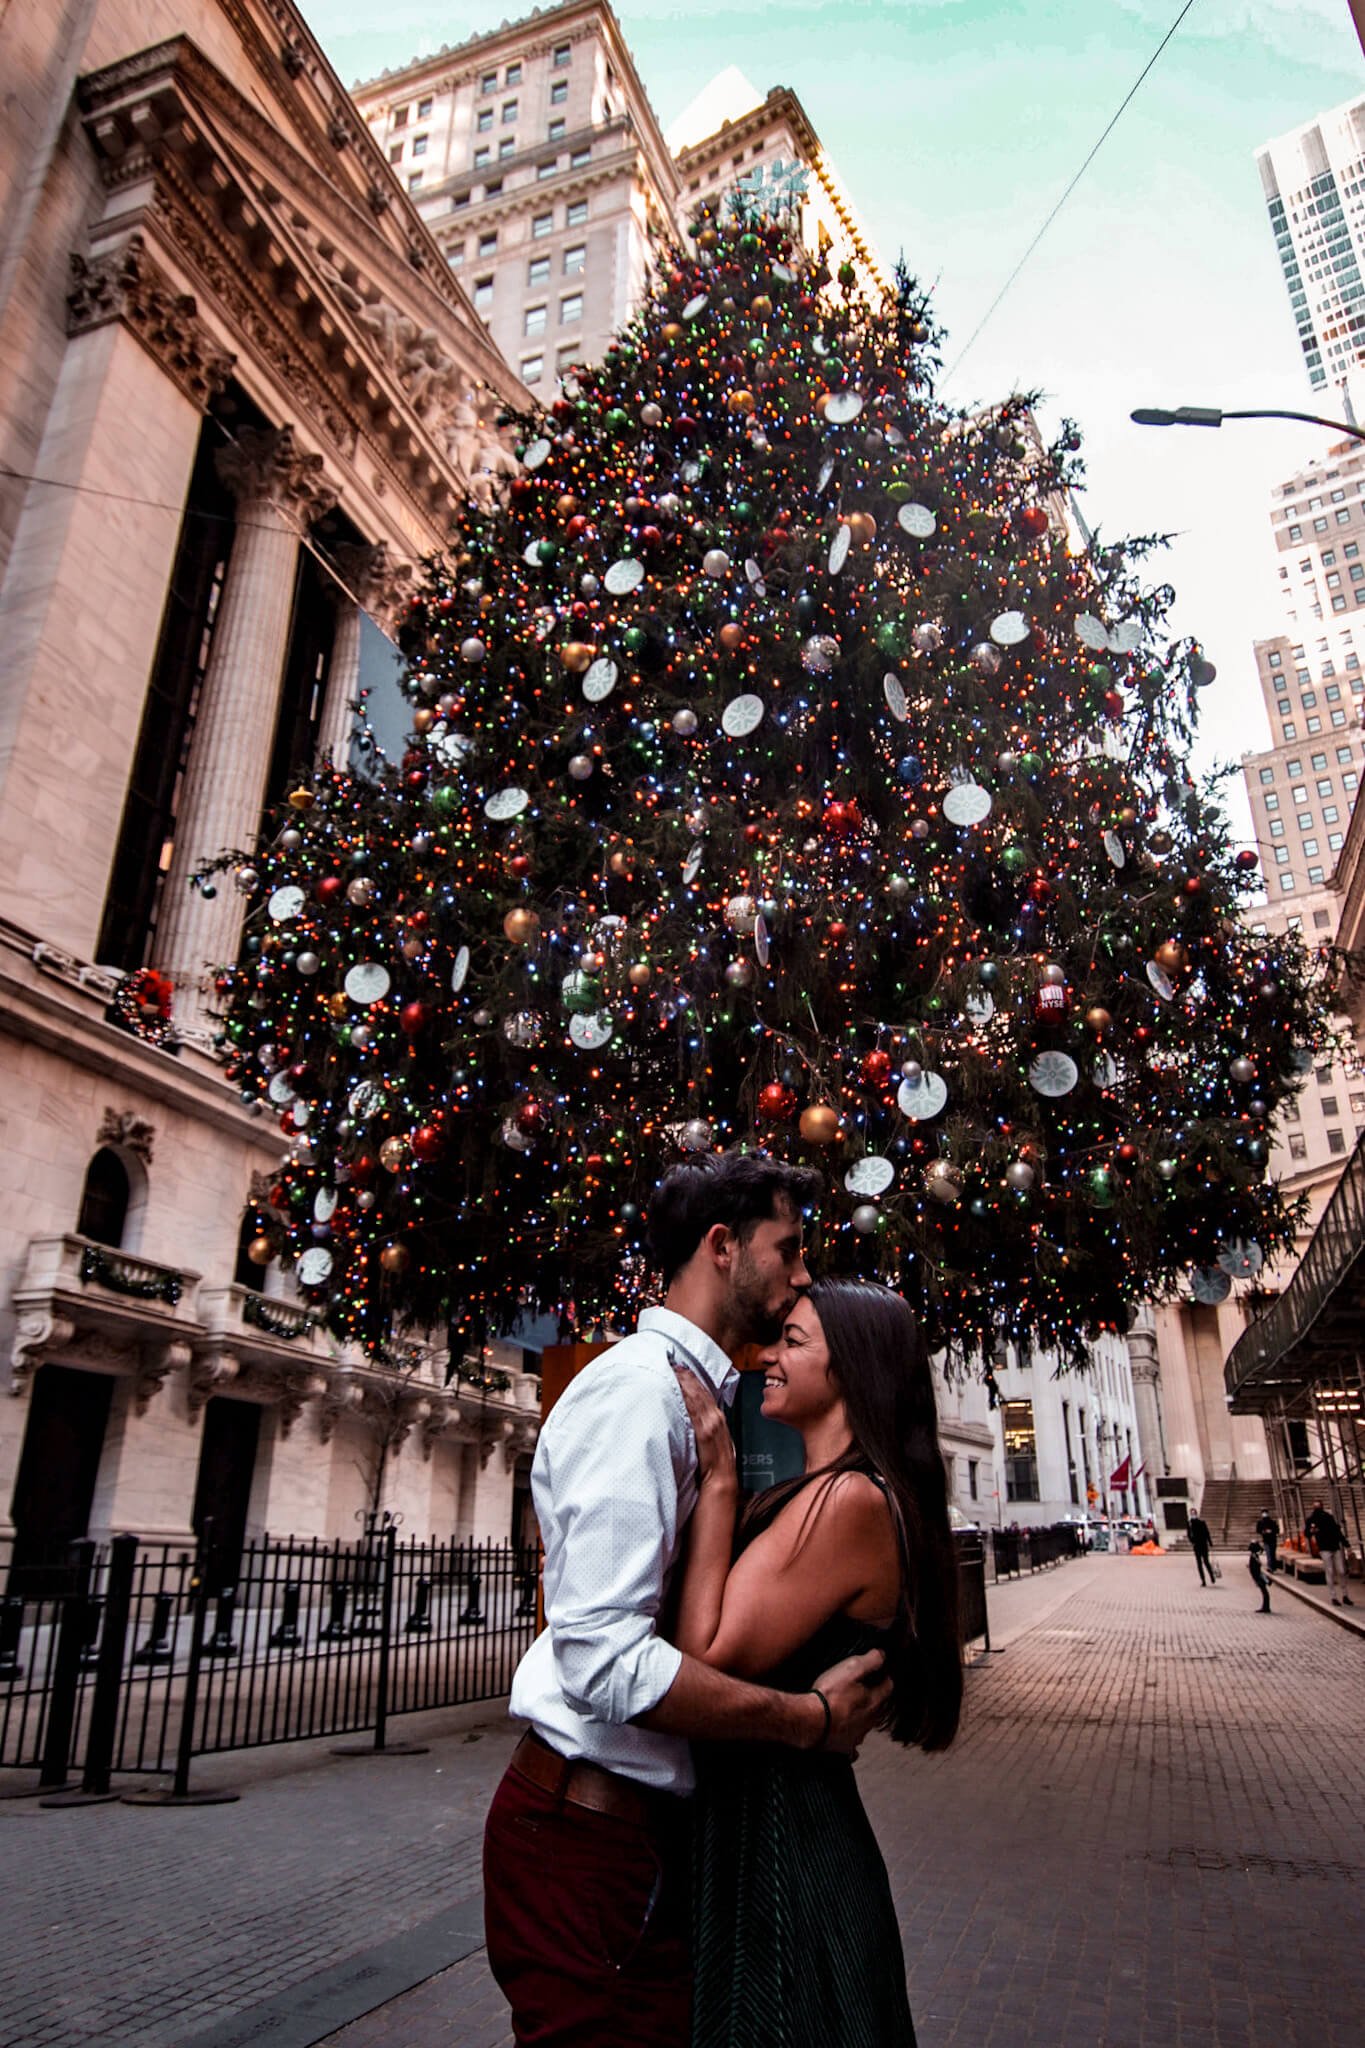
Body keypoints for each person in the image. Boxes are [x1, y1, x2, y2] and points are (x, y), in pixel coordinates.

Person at [482, 1154, 893, 2047]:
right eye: (785, 1250)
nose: (801, 1274)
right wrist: (805, 1721)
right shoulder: (639, 1393)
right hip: (586, 1836)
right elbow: (600, 1658)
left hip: (637, 1835)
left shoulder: (708, 1397)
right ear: (722, 1247)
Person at [672, 1277, 962, 2047]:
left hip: (781, 1855)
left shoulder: (848, 1503)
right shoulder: (833, 1493)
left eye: (793, 1343)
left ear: (851, 1371)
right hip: (766, 1836)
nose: (768, 1356)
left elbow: (706, 1653)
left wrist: (721, 1479)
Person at [1305, 1499, 1354, 1606]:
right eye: (1316, 1507)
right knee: (1330, 1571)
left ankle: (1345, 1595)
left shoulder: (1328, 1517)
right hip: (1324, 1548)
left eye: (1319, 1506)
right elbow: (1307, 1533)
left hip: (1334, 1546)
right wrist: (1311, 1532)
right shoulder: (1311, 1520)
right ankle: (1333, 1596)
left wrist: (1346, 1545)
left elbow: (1337, 1531)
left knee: (1341, 1571)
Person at [1187, 1512, 1217, 1588]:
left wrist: (1210, 1542)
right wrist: (1192, 1541)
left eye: (1194, 1514)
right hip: (1196, 1546)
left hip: (1203, 1544)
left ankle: (1211, 1576)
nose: (1193, 1515)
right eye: (1192, 1514)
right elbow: (1189, 1534)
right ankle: (1203, 1580)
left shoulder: (1202, 1522)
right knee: (1199, 1564)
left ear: (1197, 1515)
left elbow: (1207, 1533)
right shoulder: (1190, 1524)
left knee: (1206, 1561)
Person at [1247, 1537, 1272, 1614]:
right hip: (1257, 1575)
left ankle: (1266, 1607)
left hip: (1258, 1575)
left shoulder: (1254, 1556)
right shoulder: (1254, 1556)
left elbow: (1256, 1566)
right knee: (1264, 1590)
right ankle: (1265, 1606)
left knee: (1264, 1590)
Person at [1255, 1506, 1280, 1575]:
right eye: (1263, 1512)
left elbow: (1277, 1530)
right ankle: (1270, 1567)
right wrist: (1263, 1531)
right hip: (1266, 1540)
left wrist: (1271, 1531)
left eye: (1265, 1512)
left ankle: (1273, 1566)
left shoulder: (1272, 1522)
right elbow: (1258, 1530)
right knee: (1269, 1553)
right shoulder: (1260, 1522)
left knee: (1272, 1553)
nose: (1264, 1514)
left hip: (1272, 1539)